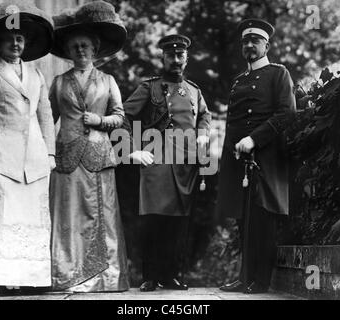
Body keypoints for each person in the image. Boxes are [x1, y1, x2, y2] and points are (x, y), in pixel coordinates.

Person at [0, 3, 56, 293]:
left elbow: (44, 114)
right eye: (9, 37)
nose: (15, 43)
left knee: (30, 217)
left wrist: (51, 153)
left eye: (20, 38)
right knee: (0, 215)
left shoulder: (37, 74)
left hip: (34, 158)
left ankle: (31, 278)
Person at [49, 1, 129, 292]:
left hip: (99, 154)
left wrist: (99, 119)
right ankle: (66, 275)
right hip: (67, 155)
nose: (80, 51)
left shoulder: (108, 81)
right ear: (68, 52)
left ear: (95, 50)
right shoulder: (58, 83)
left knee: (102, 215)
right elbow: (47, 120)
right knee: (68, 216)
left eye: (85, 46)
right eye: (74, 47)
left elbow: (120, 117)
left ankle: (105, 278)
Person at [123, 34, 211, 291]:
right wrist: (132, 150)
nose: (175, 59)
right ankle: (150, 276)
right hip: (156, 162)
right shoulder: (149, 88)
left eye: (180, 55)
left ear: (186, 58)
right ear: (162, 57)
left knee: (178, 222)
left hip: (186, 165)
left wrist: (204, 135)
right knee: (153, 220)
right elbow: (122, 116)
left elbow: (204, 117)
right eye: (170, 55)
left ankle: (171, 275)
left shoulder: (194, 91)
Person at [216, 19, 296, 294]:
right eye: (245, 42)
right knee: (243, 220)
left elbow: (287, 114)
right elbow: (232, 125)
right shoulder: (238, 82)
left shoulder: (278, 74)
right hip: (239, 161)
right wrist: (228, 159)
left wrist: (254, 139)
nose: (249, 45)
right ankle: (244, 277)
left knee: (263, 220)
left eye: (255, 41)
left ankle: (260, 281)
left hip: (267, 158)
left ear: (267, 45)